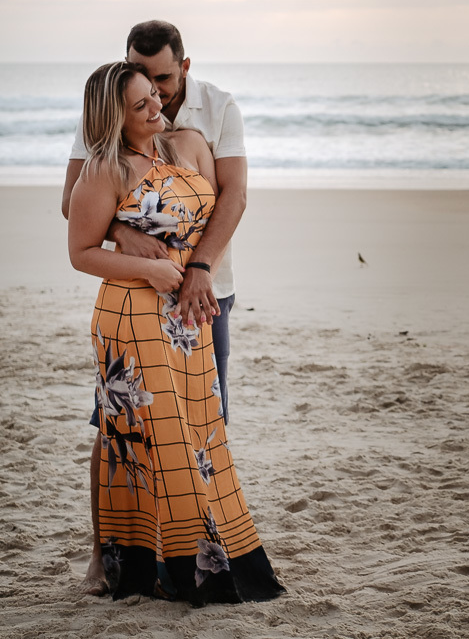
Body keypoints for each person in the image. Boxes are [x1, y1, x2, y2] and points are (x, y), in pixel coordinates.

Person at [67, 60, 283, 605]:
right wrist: (147, 267)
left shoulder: (186, 143)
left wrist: (194, 273)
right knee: (149, 440)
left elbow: (221, 207)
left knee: (199, 433)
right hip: (132, 317)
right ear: (113, 118)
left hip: (186, 316)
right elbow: (80, 253)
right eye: (140, 106)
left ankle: (201, 560)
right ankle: (148, 566)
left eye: (154, 97)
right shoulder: (104, 169)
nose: (156, 107)